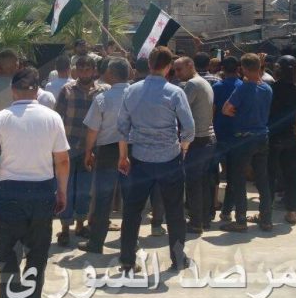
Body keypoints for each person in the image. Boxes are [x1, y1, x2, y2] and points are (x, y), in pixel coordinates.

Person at [0, 67, 70, 298]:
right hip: (43, 192)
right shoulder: (52, 118)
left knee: (9, 256)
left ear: (13, 90)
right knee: (38, 254)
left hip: (11, 192)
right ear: (37, 91)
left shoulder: (1, 118)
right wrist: (62, 192)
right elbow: (62, 160)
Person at [117, 46, 194, 271]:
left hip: (140, 159)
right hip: (170, 159)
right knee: (175, 211)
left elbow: (122, 128)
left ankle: (127, 260)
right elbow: (188, 128)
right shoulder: (175, 92)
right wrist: (184, 149)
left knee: (132, 211)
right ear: (169, 67)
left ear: (149, 64)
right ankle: (178, 259)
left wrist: (123, 157)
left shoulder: (131, 91)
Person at [55, 54, 107, 245]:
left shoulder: (102, 92)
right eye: (81, 68)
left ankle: (80, 225)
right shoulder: (66, 90)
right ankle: (64, 229)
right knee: (65, 190)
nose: (84, 72)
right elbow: (56, 118)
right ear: (75, 70)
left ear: (94, 71)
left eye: (88, 69)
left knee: (85, 190)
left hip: (91, 149)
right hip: (68, 148)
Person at [80, 57, 131, 253]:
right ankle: (129, 241)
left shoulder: (102, 98)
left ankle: (96, 243)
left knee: (103, 199)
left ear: (110, 74)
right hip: (134, 151)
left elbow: (93, 129)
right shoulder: (137, 94)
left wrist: (88, 152)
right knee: (131, 198)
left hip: (108, 152)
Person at [221, 53, 273, 231]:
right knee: (262, 179)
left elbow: (226, 109)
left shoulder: (243, 88)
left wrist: (238, 114)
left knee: (238, 179)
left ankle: (241, 220)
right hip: (262, 136)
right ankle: (266, 218)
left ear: (243, 68)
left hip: (243, 138)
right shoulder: (267, 88)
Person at [173, 55, 215, 233]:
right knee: (203, 182)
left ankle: (196, 222)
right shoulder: (203, 83)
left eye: (179, 69)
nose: (176, 73)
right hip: (208, 138)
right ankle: (204, 219)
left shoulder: (192, 85)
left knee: (193, 184)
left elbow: (179, 109)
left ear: (190, 66)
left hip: (197, 140)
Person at [266, 55, 296, 226]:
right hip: (290, 138)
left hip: (271, 137)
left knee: (269, 175)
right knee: (292, 175)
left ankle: (266, 212)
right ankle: (292, 212)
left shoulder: (270, 89)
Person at [212, 56, 242, 222]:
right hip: (237, 134)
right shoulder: (242, 86)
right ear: (238, 68)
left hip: (219, 133)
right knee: (233, 174)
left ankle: (212, 205)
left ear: (222, 68)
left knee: (213, 170)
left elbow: (213, 110)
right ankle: (227, 210)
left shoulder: (217, 87)